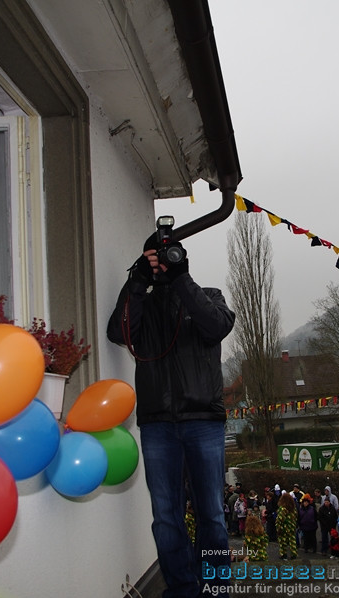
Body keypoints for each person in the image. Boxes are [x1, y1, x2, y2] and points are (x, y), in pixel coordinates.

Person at [106, 227, 235, 598]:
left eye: (167, 257)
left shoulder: (207, 295)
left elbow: (217, 325)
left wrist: (182, 278)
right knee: (165, 516)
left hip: (204, 422)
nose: (161, 264)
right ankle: (180, 589)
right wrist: (137, 282)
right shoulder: (142, 301)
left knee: (211, 513)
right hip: (158, 423)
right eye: (154, 259)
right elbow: (119, 332)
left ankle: (215, 588)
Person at [276, 492, 297, 560]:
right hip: (291, 526)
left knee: (282, 541)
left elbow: (280, 519)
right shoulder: (293, 508)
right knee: (292, 541)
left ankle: (283, 554)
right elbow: (295, 517)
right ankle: (293, 554)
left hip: (284, 527)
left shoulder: (282, 509)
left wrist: (278, 527)